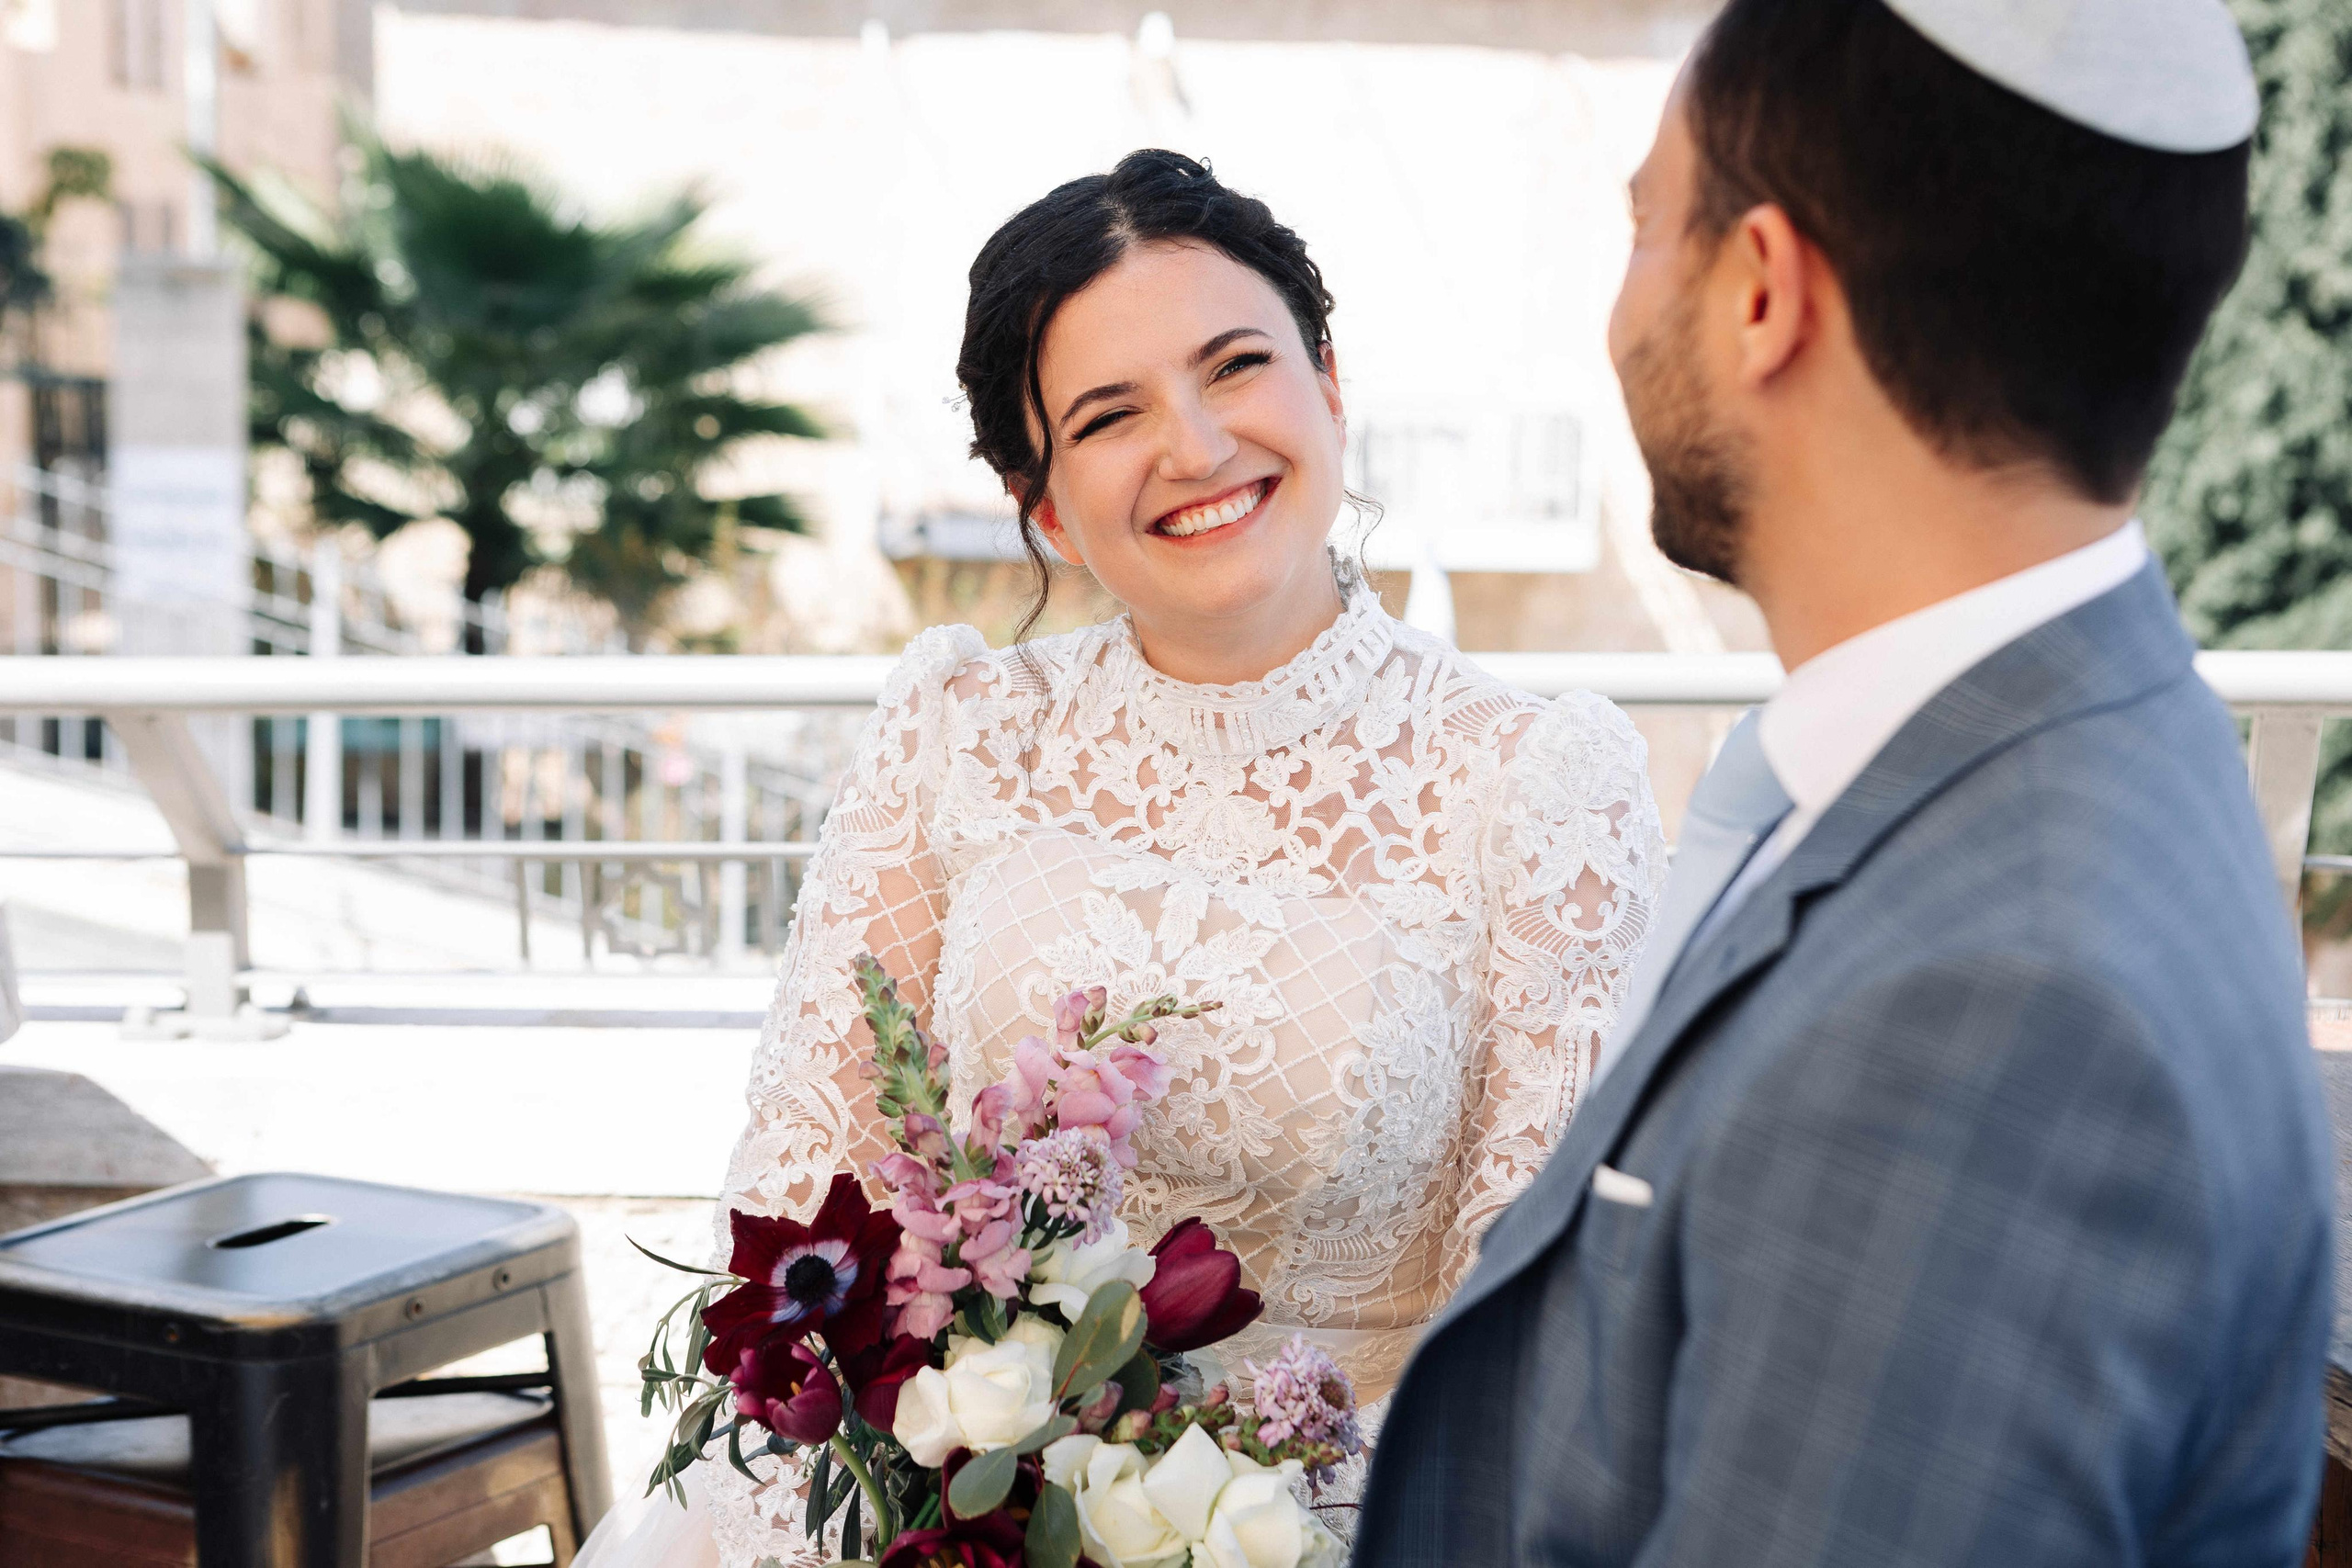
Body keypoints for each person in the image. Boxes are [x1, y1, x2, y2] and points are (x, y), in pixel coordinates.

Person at [576, 149, 1664, 1568]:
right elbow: (808, 1198)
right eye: (1110, 415)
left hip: (1341, 1525)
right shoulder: (959, 728)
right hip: (945, 1516)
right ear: (1042, 502)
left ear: (1329, 384)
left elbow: (1533, 1325)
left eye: (1237, 367)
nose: (1197, 448)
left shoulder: (1538, 778)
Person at [1357, 1, 2334, 1564]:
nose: (1618, 307)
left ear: (1761, 291)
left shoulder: (1994, 1004)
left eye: (1644, 226)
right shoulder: (2040, 761)